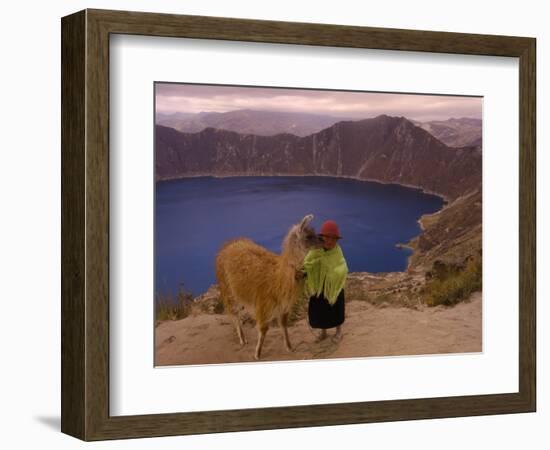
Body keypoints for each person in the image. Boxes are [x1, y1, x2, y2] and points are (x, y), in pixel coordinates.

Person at [302, 220, 348, 343]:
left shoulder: (337, 252)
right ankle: (323, 332)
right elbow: (307, 263)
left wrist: (333, 274)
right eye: (327, 237)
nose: (330, 241)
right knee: (320, 311)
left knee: (335, 309)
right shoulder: (315, 251)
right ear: (321, 237)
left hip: (333, 287)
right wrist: (306, 271)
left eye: (333, 239)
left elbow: (342, 267)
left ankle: (339, 331)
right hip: (319, 287)